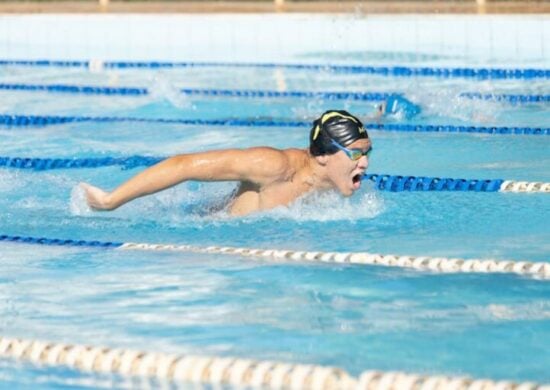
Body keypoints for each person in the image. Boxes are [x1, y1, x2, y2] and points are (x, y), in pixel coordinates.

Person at [81, 110, 372, 217]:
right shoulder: (274, 166)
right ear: (322, 155)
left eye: (367, 152)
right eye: (357, 154)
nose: (366, 163)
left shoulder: (334, 186)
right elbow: (185, 165)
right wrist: (110, 201)